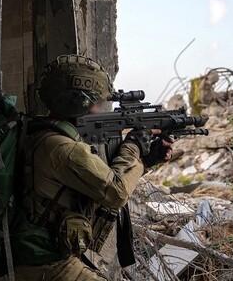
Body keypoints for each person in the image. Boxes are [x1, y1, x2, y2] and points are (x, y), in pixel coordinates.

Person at [17, 55, 174, 280]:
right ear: (79, 102)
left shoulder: (39, 133)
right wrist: (133, 147)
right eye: (96, 102)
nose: (100, 108)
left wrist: (145, 161)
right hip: (48, 266)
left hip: (35, 254)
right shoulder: (63, 148)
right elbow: (116, 193)